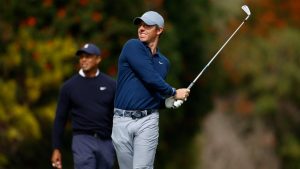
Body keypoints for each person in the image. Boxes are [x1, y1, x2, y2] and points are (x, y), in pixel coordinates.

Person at [112, 11, 190, 169]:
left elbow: (151, 91)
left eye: (147, 25)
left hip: (148, 122)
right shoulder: (132, 46)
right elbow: (149, 77)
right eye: (140, 25)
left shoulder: (164, 63)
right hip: (121, 120)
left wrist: (165, 103)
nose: (141, 28)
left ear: (159, 30)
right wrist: (174, 93)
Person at [51, 43, 116, 169]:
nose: (84, 60)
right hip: (82, 140)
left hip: (107, 141)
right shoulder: (69, 87)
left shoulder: (111, 85)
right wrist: (56, 148)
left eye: (88, 56)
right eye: (81, 57)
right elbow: (60, 119)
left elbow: (120, 115)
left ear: (98, 59)